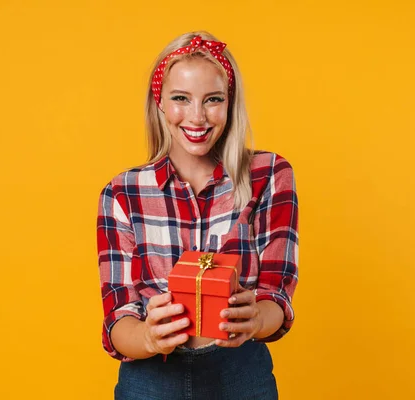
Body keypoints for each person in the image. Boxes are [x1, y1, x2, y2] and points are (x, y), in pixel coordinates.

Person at [96, 31, 299, 399]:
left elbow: (277, 296)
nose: (197, 116)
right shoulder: (122, 192)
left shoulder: (269, 174)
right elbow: (117, 317)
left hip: (240, 375)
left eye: (213, 100)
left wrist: (255, 320)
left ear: (230, 103)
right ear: (159, 103)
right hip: (150, 379)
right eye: (180, 98)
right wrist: (147, 336)